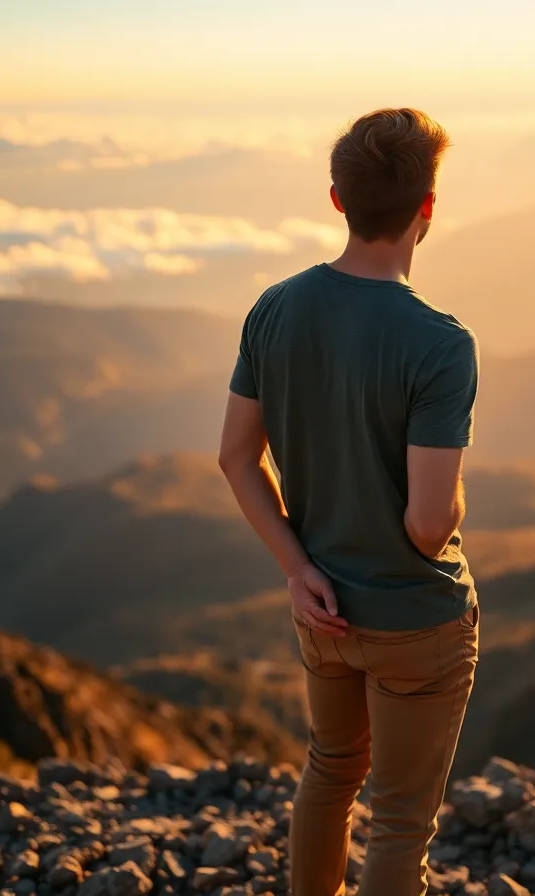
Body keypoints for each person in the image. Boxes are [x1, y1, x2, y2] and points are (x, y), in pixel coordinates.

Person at [218, 108, 479, 896]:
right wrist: (458, 494)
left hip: (323, 609)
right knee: (400, 822)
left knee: (329, 776)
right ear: (427, 209)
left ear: (337, 199)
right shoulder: (439, 343)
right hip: (415, 623)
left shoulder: (275, 307)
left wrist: (297, 569)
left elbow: (236, 457)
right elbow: (429, 528)